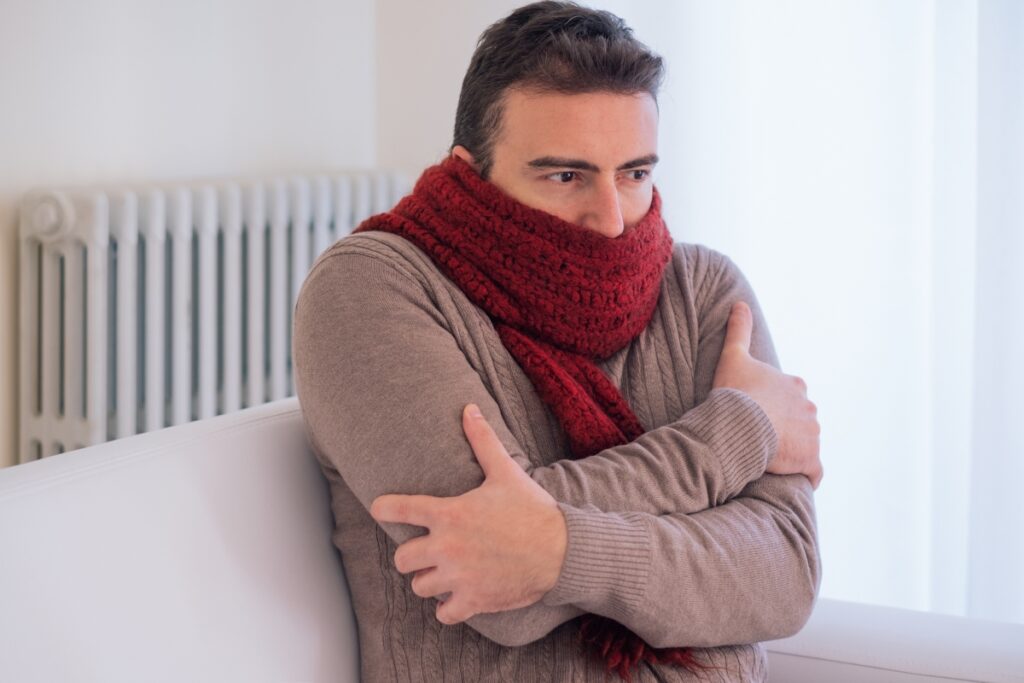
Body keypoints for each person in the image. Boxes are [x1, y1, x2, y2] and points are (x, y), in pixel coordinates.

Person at [292, 2, 822, 681]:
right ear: (468, 172)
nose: (610, 222)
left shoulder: (708, 291)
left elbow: (784, 574)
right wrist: (735, 433)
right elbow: (498, 594)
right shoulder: (371, 290)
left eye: (634, 173)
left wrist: (559, 546)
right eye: (565, 175)